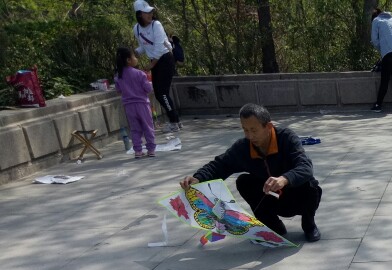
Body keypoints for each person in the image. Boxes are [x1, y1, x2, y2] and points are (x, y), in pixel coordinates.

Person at [179, 104, 323, 242]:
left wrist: (284, 179)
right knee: (244, 181)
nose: (249, 136)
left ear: (268, 127)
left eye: (254, 130)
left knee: (310, 185)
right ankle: (274, 227)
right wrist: (198, 178)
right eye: (245, 130)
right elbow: (220, 165)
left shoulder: (286, 138)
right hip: (270, 197)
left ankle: (309, 225)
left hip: (295, 194)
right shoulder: (243, 147)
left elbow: (305, 167)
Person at [131, 0, 180, 132]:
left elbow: (159, 47)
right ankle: (175, 120)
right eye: (146, 12)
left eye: (151, 12)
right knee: (159, 93)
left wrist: (151, 65)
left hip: (165, 59)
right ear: (139, 14)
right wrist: (133, 53)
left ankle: (174, 122)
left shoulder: (156, 25)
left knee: (162, 93)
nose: (150, 14)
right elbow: (143, 47)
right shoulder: (136, 29)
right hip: (155, 62)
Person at [114, 47, 156, 159]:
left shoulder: (118, 76)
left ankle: (138, 150)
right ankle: (151, 149)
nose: (136, 59)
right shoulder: (140, 74)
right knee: (148, 126)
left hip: (129, 106)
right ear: (128, 60)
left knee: (135, 128)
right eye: (134, 56)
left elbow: (118, 91)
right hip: (142, 104)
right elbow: (148, 89)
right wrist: (149, 80)